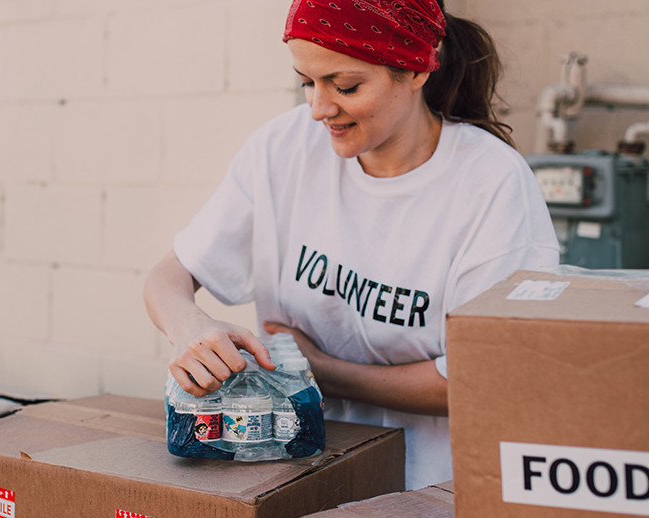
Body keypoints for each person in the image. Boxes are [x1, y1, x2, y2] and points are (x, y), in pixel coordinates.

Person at [143, 0, 559, 489]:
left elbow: (489, 375)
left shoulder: (490, 182)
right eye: (307, 82)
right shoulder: (283, 149)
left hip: (431, 486)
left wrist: (319, 369)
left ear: (416, 69)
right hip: (298, 472)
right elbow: (167, 278)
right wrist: (189, 323)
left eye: (346, 86)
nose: (319, 109)